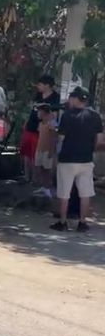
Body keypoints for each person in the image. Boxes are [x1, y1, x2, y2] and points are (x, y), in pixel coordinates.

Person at [51, 86, 104, 232]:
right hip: (86, 161)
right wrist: (89, 150)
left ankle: (62, 222)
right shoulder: (95, 116)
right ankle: (82, 222)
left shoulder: (67, 116)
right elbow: (99, 140)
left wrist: (56, 155)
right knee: (85, 193)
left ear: (75, 99)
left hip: (67, 160)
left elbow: (61, 139)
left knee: (64, 192)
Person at [20, 75, 60, 183]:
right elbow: (31, 110)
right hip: (29, 127)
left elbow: (54, 115)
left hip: (41, 130)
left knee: (36, 156)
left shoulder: (55, 98)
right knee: (26, 154)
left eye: (40, 84)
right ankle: (26, 176)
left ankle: (35, 178)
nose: (38, 86)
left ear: (47, 85)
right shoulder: (38, 95)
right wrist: (26, 123)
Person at [32, 104, 57, 198]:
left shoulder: (51, 123)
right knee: (40, 168)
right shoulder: (40, 123)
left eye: (39, 111)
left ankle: (48, 188)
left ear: (44, 112)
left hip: (47, 150)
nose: (38, 113)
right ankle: (43, 187)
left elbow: (54, 137)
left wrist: (51, 150)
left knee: (47, 170)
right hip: (39, 149)